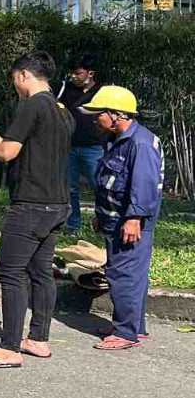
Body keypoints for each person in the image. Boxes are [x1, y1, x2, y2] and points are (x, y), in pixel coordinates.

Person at [0, 51, 73, 369]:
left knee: (10, 272)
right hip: (57, 203)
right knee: (41, 271)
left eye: (14, 79)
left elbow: (7, 154)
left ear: (23, 75)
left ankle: (9, 347)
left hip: (30, 204)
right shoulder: (61, 110)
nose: (15, 85)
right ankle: (38, 339)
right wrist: (0, 142)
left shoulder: (31, 105)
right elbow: (32, 150)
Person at [81, 86, 162, 350]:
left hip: (130, 222)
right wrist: (100, 214)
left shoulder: (140, 143)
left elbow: (144, 184)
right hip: (115, 219)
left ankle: (126, 333)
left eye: (99, 113)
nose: (95, 119)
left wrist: (134, 218)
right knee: (130, 274)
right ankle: (134, 327)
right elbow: (109, 182)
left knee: (124, 274)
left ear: (117, 114)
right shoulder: (116, 139)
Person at [57, 54, 104, 234]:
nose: (74, 76)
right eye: (72, 73)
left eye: (78, 73)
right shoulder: (65, 90)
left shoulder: (102, 91)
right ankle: (72, 225)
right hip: (69, 146)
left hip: (94, 147)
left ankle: (103, 222)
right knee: (70, 188)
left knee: (100, 186)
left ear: (90, 73)